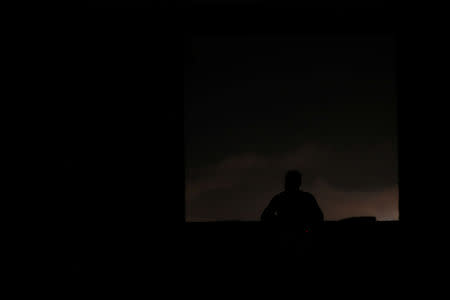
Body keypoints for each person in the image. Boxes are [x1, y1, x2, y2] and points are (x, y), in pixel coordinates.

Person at [261, 170, 324, 255]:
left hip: (287, 239)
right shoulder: (307, 198)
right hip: (300, 239)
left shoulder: (280, 198)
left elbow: (265, 216)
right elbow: (319, 217)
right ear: (299, 183)